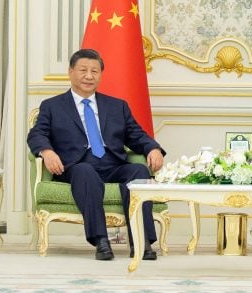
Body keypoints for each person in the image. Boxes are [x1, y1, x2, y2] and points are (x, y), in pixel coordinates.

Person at [27, 48, 165, 261]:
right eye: (83, 70)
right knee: (85, 172)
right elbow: (37, 134)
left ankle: (142, 241)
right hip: (76, 166)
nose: (89, 76)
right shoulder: (52, 106)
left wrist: (153, 148)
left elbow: (136, 135)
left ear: (101, 75)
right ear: (71, 72)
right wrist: (47, 151)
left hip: (113, 164)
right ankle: (101, 240)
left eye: (94, 71)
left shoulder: (117, 106)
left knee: (139, 170)